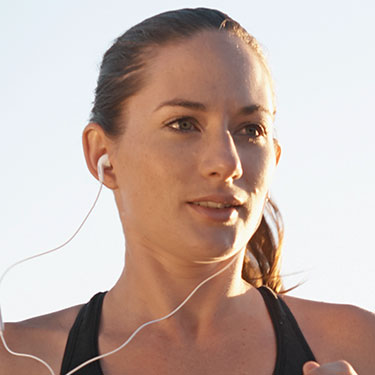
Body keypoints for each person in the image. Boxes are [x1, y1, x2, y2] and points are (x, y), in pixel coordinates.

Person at [0, 7, 374, 375]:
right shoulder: (18, 359)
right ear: (104, 155)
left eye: (251, 130)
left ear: (274, 157)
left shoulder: (360, 347)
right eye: (183, 124)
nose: (228, 163)